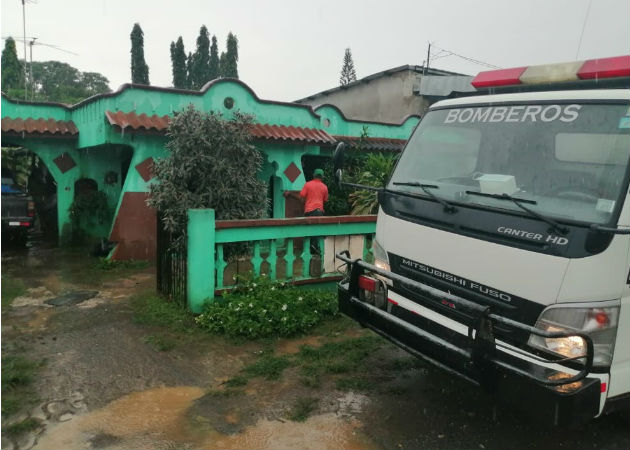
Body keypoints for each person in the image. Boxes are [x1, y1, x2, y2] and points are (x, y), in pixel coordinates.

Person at [283, 168, 328, 255]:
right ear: (322, 177)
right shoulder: (325, 187)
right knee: (317, 232)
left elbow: (301, 198)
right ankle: (315, 251)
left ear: (314, 175)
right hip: (320, 212)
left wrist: (290, 194)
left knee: (310, 231)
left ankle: (311, 251)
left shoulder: (308, 185)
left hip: (310, 211)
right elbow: (325, 200)